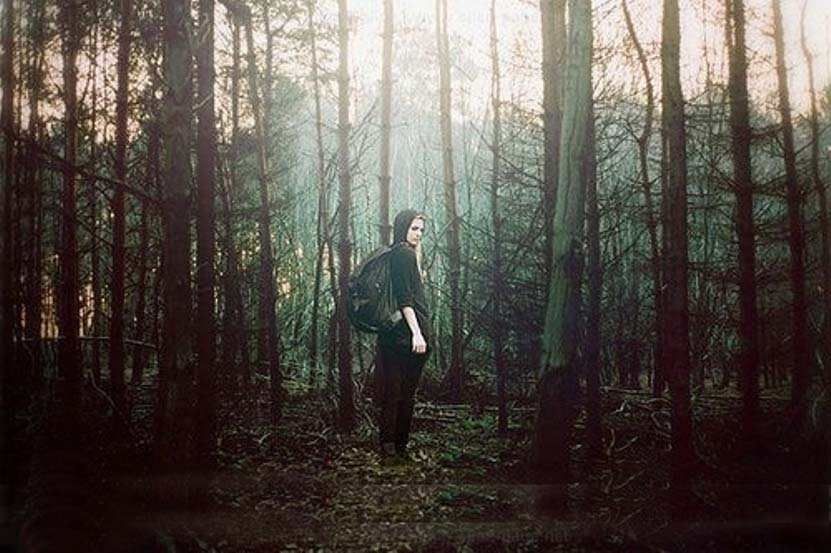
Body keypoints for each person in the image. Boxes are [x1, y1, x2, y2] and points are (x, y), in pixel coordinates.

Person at [376, 209, 431, 463]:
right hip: (405, 336)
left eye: (421, 229)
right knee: (400, 394)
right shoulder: (404, 254)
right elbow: (405, 299)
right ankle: (393, 449)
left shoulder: (399, 253)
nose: (418, 234)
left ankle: (395, 448)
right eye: (414, 228)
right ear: (402, 228)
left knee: (398, 393)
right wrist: (417, 333)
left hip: (395, 334)